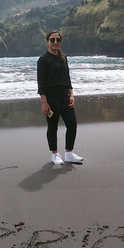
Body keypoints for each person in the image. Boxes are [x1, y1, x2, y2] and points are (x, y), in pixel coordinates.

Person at [37, 31, 84, 165]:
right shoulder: (43, 60)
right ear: (48, 42)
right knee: (53, 127)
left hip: (64, 97)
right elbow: (41, 84)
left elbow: (67, 79)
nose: (55, 42)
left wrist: (72, 95)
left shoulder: (63, 58)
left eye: (58, 40)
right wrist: (44, 103)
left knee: (72, 124)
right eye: (52, 40)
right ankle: (54, 154)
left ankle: (69, 153)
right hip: (51, 98)